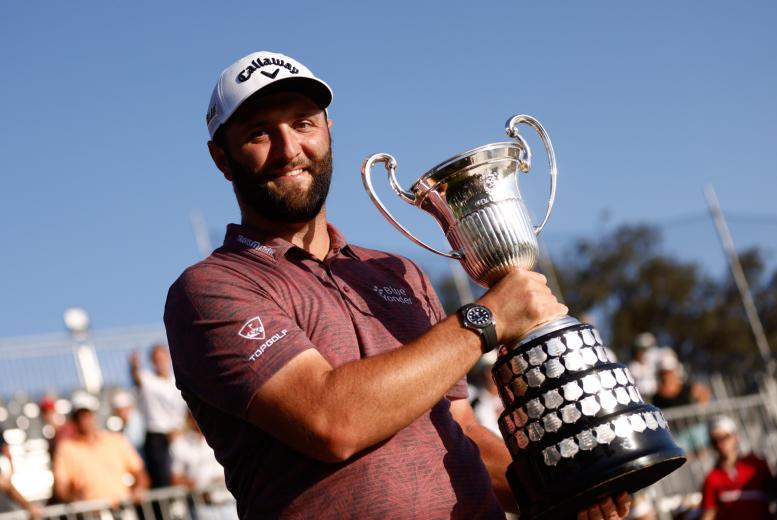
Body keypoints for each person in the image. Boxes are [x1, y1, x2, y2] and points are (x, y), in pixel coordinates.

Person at [164, 50, 630, 519]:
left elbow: (458, 428)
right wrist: (487, 319)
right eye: (260, 133)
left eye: (303, 123)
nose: (289, 149)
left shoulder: (396, 272)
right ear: (221, 158)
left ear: (328, 128)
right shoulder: (212, 289)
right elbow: (329, 420)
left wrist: (568, 487)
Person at [52, 391, 150, 506]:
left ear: (94, 415)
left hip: (123, 510)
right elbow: (61, 487)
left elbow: (140, 473)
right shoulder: (66, 449)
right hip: (91, 515)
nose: (84, 419)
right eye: (79, 415)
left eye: (87, 414)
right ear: (73, 419)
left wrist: (139, 489)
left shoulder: (115, 440)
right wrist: (74, 501)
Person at [130, 344, 188, 487]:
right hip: (157, 437)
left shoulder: (177, 379)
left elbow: (187, 411)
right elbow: (137, 378)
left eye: (162, 358)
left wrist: (182, 430)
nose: (160, 361)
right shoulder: (147, 378)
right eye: (156, 359)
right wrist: (133, 367)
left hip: (179, 435)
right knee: (162, 480)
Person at [700, 415, 777, 520]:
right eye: (715, 440)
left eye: (724, 437)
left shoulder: (756, 465)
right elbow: (709, 514)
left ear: (735, 437)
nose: (720, 444)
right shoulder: (711, 478)